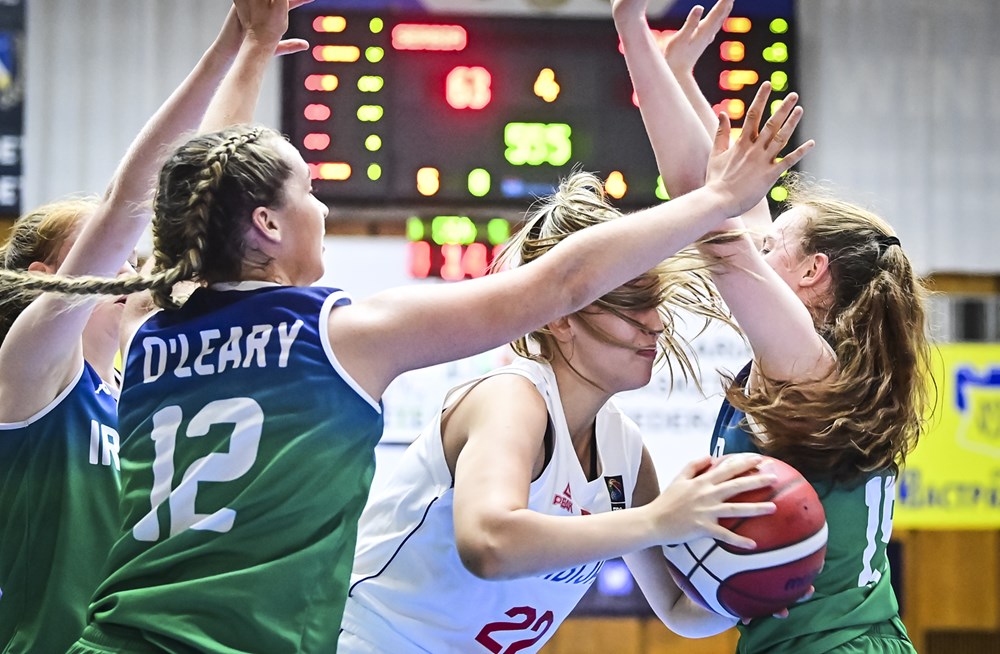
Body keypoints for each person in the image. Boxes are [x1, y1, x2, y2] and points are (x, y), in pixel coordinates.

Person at [2, 25, 812, 652]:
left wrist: (247, 48)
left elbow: (171, 193)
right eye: (312, 190)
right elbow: (557, 285)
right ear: (268, 224)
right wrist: (715, 202)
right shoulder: (340, 337)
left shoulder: (156, 334)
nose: (323, 208)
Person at [339, 171, 786, 654]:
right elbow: (488, 543)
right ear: (561, 316)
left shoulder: (625, 449)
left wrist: (756, 590)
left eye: (654, 305)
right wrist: (660, 519)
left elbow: (679, 608)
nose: (655, 325)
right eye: (632, 305)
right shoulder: (512, 398)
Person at [613, 0, 931, 652]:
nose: (759, 238)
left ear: (813, 272)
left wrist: (630, 30)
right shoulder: (806, 352)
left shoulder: (810, 370)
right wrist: (668, 68)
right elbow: (714, 195)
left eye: (775, 237)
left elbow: (710, 216)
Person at [0, 2, 310, 652]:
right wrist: (229, 41)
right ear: (48, 273)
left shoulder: (142, 380)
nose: (129, 265)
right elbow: (129, 201)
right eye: (109, 254)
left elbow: (210, 193)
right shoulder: (32, 377)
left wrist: (256, 49)